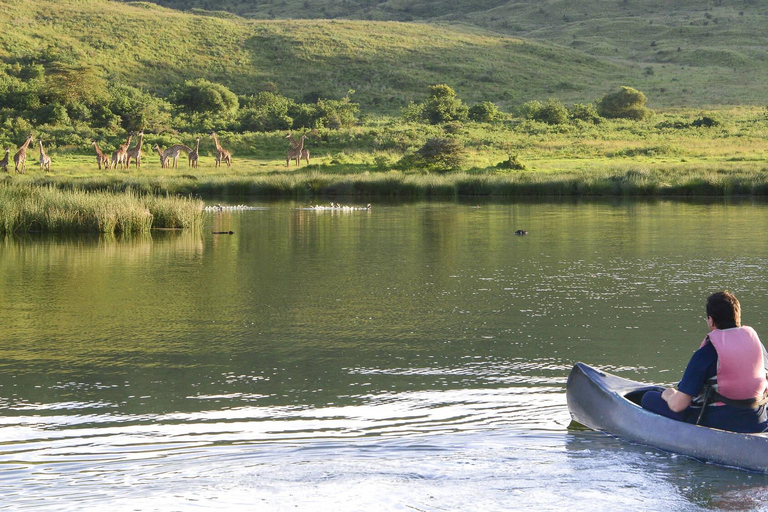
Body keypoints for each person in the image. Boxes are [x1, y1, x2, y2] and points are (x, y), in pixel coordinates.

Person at [641, 291, 768, 433]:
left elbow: (678, 406)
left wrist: (668, 394)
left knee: (648, 397)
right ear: (737, 317)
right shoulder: (757, 346)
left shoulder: (707, 353)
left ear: (711, 320)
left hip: (721, 422)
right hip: (758, 421)